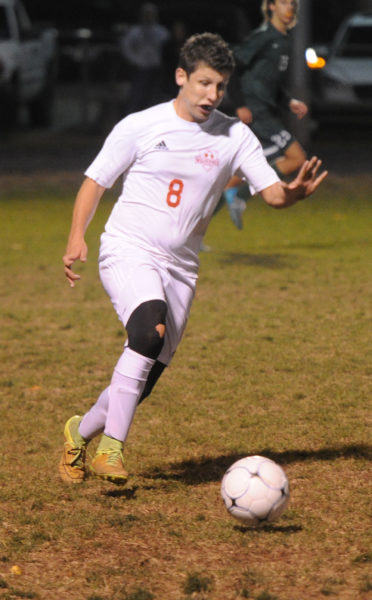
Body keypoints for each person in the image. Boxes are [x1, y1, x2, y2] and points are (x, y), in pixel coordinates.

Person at [59, 32, 327, 485]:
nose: (212, 94)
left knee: (144, 375)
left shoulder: (235, 135)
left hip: (181, 268)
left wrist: (293, 195)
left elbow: (271, 193)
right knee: (147, 331)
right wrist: (76, 237)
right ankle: (111, 451)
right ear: (181, 76)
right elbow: (95, 182)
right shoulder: (140, 125)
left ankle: (77, 431)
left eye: (220, 86)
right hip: (128, 248)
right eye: (204, 83)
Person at [224, 0, 309, 229]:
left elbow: (268, 82)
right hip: (256, 113)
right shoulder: (262, 37)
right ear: (270, 6)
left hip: (265, 111)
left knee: (236, 176)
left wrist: (289, 101)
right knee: (297, 158)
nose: (289, 7)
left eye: (292, 3)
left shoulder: (284, 41)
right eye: (283, 2)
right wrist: (240, 105)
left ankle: (195, 224)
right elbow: (232, 68)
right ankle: (241, 196)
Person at [120, 2, 170, 113]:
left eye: (151, 13)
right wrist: (135, 60)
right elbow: (125, 47)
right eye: (146, 14)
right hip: (141, 69)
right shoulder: (135, 32)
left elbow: (167, 50)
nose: (149, 16)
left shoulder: (162, 32)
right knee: (137, 95)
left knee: (155, 96)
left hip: (157, 68)